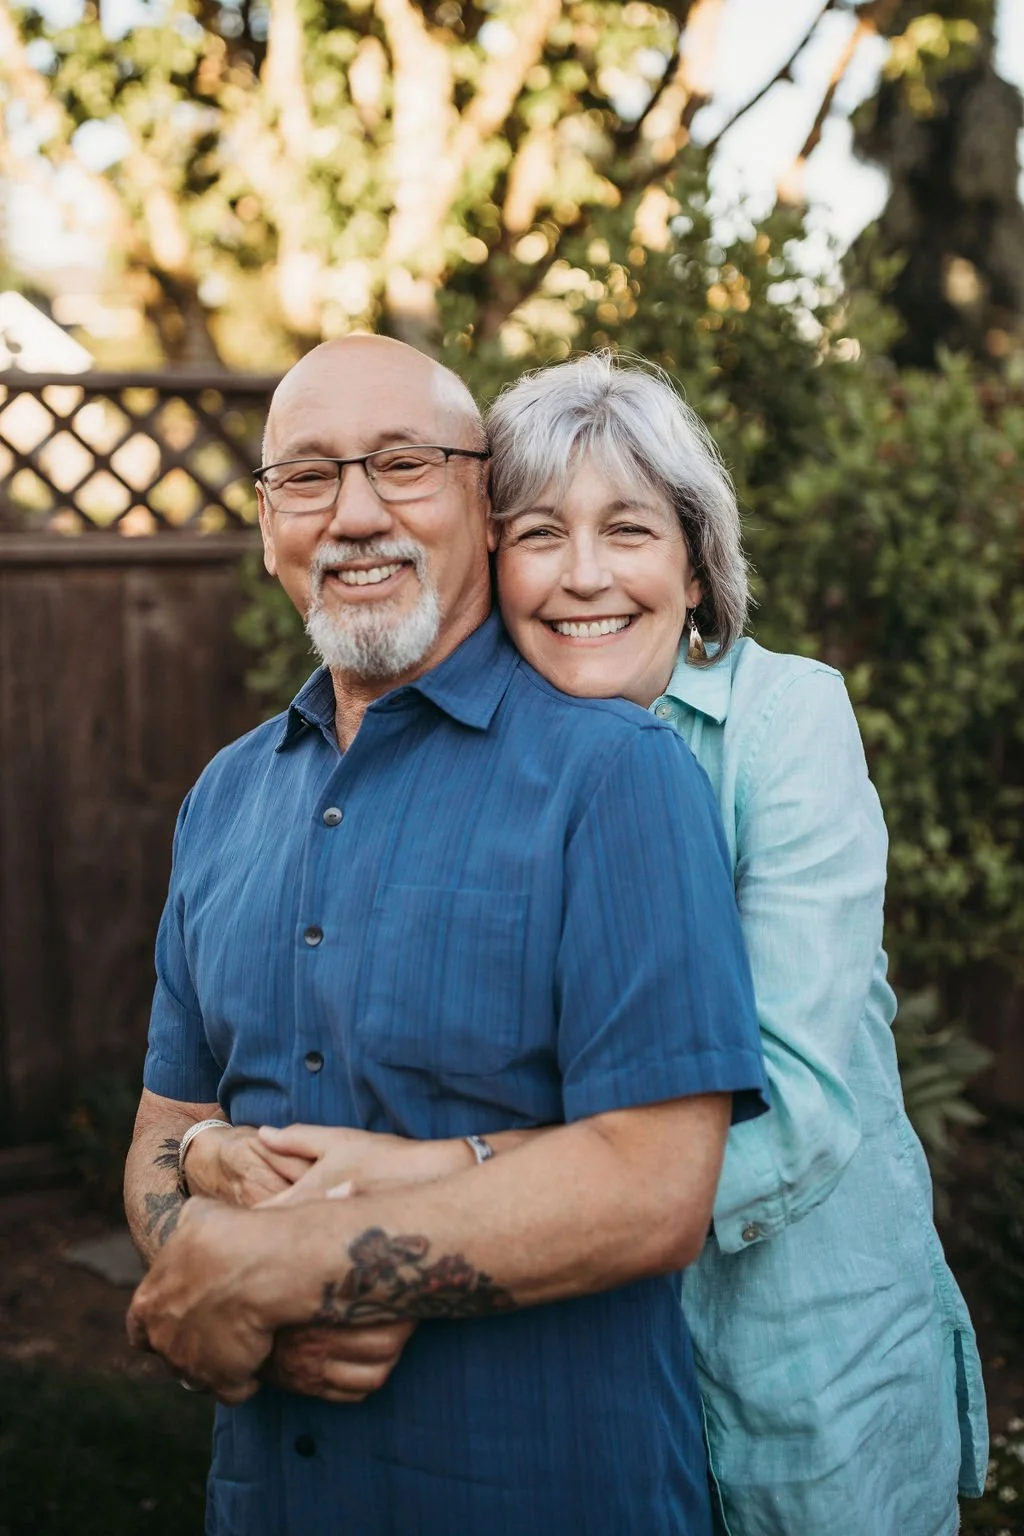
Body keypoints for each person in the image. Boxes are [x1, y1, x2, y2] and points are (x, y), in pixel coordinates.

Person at [237, 352, 989, 1536]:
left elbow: (793, 1101)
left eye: (629, 530)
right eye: (539, 534)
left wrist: (446, 1192)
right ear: (490, 561)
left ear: (695, 564)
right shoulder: (467, 765)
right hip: (573, 1374)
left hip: (797, 1349)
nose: (584, 577)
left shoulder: (785, 722)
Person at [125, 335, 769, 1536]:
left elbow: (655, 1186)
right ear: (269, 524)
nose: (355, 512)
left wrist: (290, 1267)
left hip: (543, 1490)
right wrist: (196, 1235)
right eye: (308, 477)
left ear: (481, 503)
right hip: (270, 1499)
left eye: (403, 465)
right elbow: (164, 1133)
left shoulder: (614, 779)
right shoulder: (223, 798)